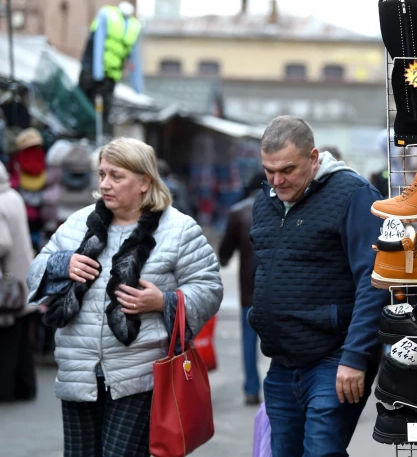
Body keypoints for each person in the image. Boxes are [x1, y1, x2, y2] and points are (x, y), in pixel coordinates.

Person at [26, 137, 223, 456]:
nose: (105, 184)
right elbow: (35, 272)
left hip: (139, 374)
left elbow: (209, 288)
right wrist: (64, 263)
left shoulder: (179, 229)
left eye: (117, 176)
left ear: (144, 181)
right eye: (102, 174)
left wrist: (163, 301)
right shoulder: (79, 224)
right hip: (79, 373)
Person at [248, 116, 389, 456]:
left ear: (313, 158)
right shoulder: (265, 201)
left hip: (334, 359)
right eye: (269, 170)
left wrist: (355, 357)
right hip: (282, 364)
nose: (277, 180)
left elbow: (375, 281)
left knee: (321, 451)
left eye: (287, 169)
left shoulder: (353, 194)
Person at [218, 171, 267, 406]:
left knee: (249, 341)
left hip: (249, 290)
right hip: (277, 290)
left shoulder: (238, 213)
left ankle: (251, 388)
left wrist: (225, 259)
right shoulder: (281, 209)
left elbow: (225, 251)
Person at [0, 160, 37, 401]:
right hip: (22, 279)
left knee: (6, 342)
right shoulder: (12, 195)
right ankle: (26, 388)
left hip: (6, 284)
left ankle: (5, 390)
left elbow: (2, 243)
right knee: (22, 340)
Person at [78, 2, 144, 133]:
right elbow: (98, 43)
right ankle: (82, 132)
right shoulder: (106, 15)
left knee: (104, 110)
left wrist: (138, 88)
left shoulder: (134, 26)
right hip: (91, 71)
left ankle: (98, 135)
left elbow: (134, 58)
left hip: (110, 77)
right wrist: (97, 73)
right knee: (83, 104)